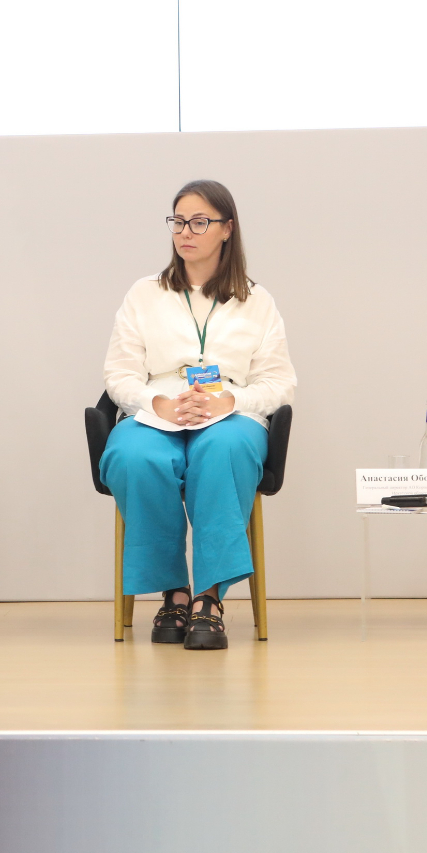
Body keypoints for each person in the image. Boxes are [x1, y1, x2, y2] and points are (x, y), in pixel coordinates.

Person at [100, 180, 296, 650]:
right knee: (133, 456)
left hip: (230, 413)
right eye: (179, 221)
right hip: (158, 409)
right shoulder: (144, 294)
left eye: (200, 222)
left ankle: (209, 597)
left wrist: (232, 402)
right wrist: (158, 404)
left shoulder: (257, 300)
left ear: (227, 229)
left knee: (224, 449)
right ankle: (174, 592)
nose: (185, 232)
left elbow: (279, 383)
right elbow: (119, 374)